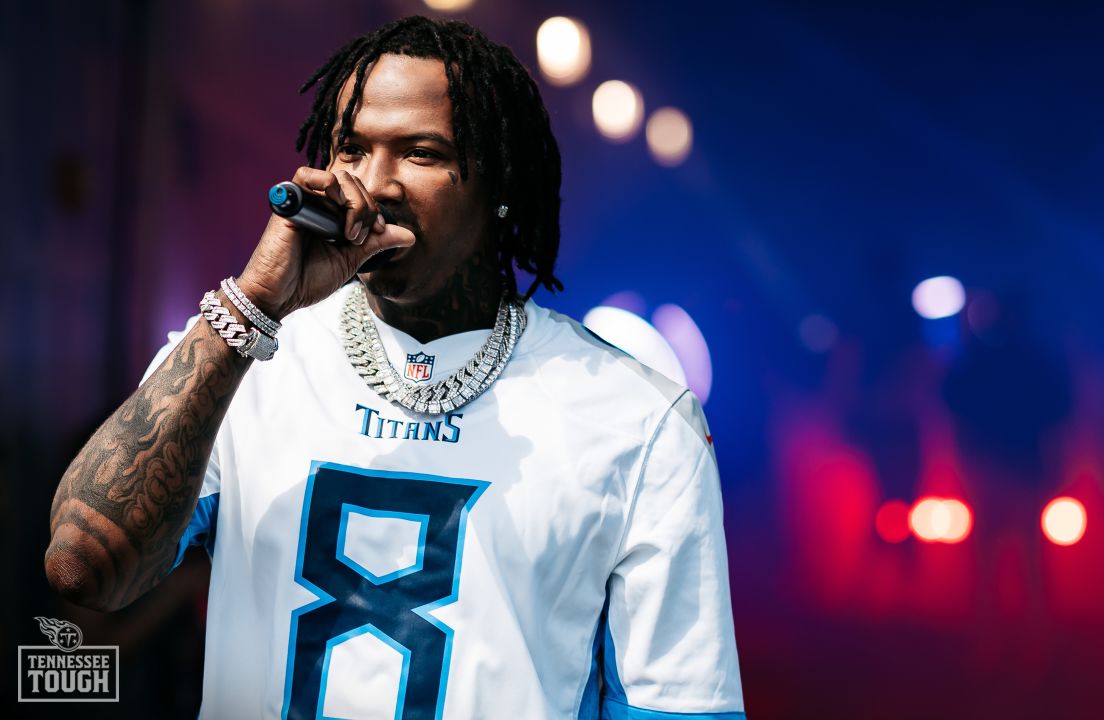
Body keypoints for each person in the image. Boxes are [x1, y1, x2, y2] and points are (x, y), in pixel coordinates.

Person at [44, 15, 745, 720]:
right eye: (352, 147)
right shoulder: (237, 354)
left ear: (498, 187)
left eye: (421, 152)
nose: (374, 184)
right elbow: (80, 568)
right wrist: (252, 304)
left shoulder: (639, 419)